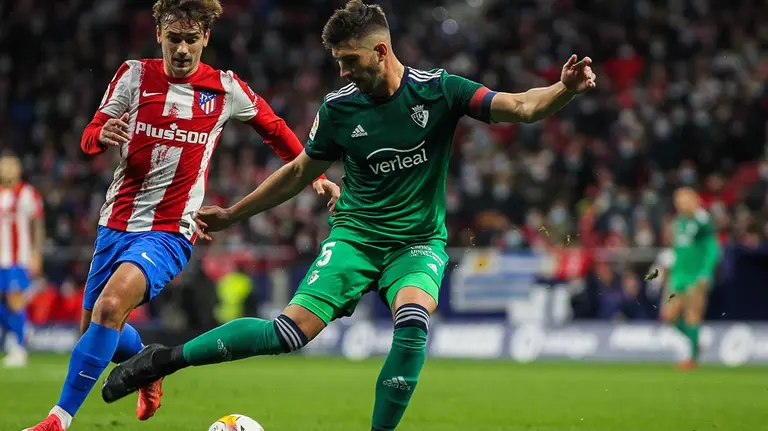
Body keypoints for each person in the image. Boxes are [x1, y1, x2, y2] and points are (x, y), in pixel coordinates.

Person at [101, 1, 596, 430]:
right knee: (285, 334)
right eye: (337, 62)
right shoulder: (339, 108)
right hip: (355, 237)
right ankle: (160, 360)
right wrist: (233, 214)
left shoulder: (439, 90)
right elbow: (299, 172)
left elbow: (521, 106)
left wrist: (565, 90)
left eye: (349, 60)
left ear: (381, 51)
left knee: (413, 322)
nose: (342, 72)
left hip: (417, 242)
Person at [23, 1, 340, 430]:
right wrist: (102, 134)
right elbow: (88, 136)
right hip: (115, 222)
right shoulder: (133, 75)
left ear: (206, 38)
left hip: (171, 229)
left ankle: (57, 421)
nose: (184, 49)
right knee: (96, 328)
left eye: (192, 40)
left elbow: (274, 127)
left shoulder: (225, 89)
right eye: (175, 39)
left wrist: (314, 174)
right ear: (159, 34)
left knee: (112, 305)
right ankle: (145, 362)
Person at [661, 187, 720, 370]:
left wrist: (706, 272)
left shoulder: (702, 221)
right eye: (677, 200)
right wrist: (668, 269)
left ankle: (692, 359)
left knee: (692, 315)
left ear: (694, 200)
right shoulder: (678, 221)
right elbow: (676, 249)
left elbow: (712, 248)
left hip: (695, 276)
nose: (679, 203)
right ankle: (694, 341)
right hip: (678, 275)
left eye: (683, 199)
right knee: (668, 315)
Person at [0, 154, 44, 368]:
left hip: (18, 258)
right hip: (1, 258)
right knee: (4, 303)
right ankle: (10, 339)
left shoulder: (27, 193)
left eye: (10, 166)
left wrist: (37, 253)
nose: (6, 169)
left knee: (15, 300)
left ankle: (18, 346)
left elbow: (37, 225)